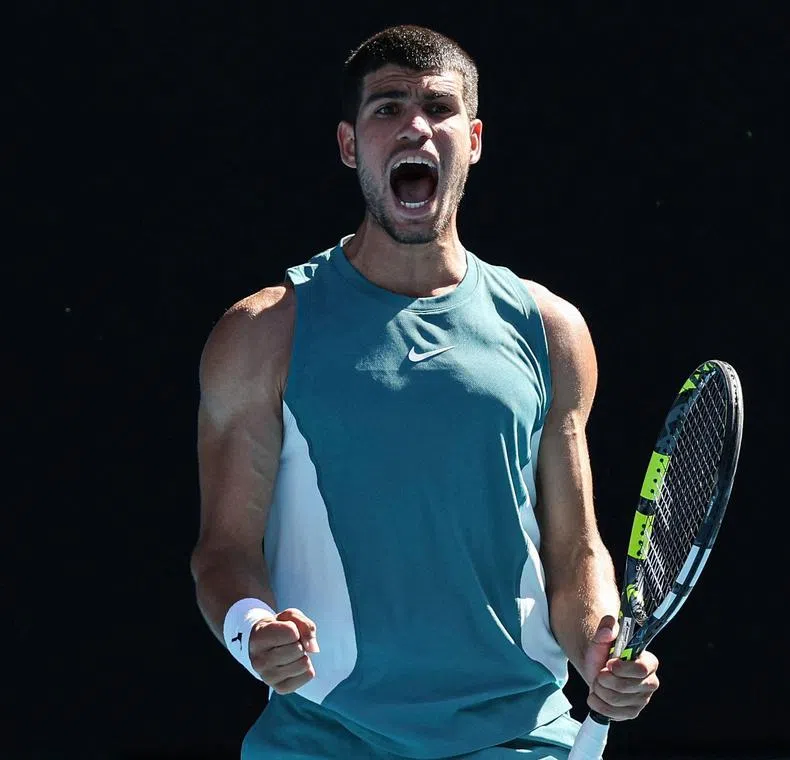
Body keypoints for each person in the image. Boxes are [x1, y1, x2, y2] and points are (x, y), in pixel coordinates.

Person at [191, 24, 660, 759]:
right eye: (387, 108)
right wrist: (252, 628)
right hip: (324, 738)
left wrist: (597, 645)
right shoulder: (262, 334)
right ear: (350, 145)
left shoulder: (552, 330)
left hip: (518, 733)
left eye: (439, 108)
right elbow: (222, 550)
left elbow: (575, 550)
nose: (415, 126)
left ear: (472, 140)